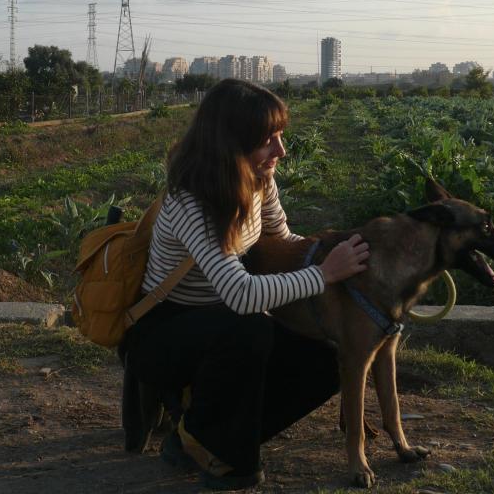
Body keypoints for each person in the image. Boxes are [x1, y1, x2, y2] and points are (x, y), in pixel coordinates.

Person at [121, 78, 369, 490]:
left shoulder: (258, 181)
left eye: (280, 136)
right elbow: (239, 295)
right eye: (268, 139)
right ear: (231, 143)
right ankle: (222, 452)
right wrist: (325, 274)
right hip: (162, 332)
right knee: (250, 325)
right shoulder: (192, 201)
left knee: (326, 362)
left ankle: (199, 435)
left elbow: (283, 239)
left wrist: (332, 252)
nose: (280, 151)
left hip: (220, 325)